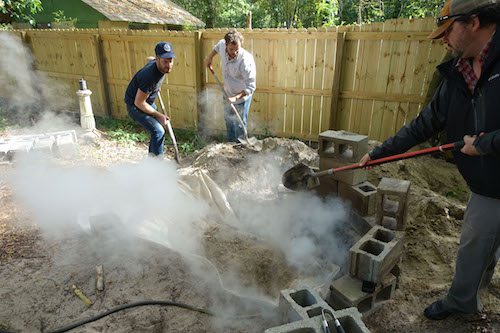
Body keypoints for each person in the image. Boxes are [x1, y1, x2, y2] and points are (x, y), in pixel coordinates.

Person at [359, 0, 500, 321]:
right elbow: (425, 123)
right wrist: (379, 153)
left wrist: (486, 143)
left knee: (478, 241)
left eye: (449, 31)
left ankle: (465, 300)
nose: (444, 40)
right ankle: (468, 296)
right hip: (488, 184)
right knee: (479, 241)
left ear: (474, 22)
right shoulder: (459, 72)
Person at [204, 30, 256, 142]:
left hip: (241, 96)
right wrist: (210, 57)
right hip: (227, 92)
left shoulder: (246, 61)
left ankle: (241, 148)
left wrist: (235, 98)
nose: (235, 52)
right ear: (226, 45)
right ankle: (229, 147)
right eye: (232, 49)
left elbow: (251, 87)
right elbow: (217, 47)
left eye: (237, 49)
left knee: (239, 124)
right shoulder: (222, 45)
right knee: (228, 120)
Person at [124, 42, 175, 157]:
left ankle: (152, 160)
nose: (168, 65)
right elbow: (139, 102)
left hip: (146, 102)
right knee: (158, 131)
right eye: (165, 62)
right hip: (135, 106)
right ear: (157, 59)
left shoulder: (157, 64)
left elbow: (149, 58)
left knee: (158, 130)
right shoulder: (149, 77)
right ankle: (156, 166)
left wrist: (156, 87)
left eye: (170, 61)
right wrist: (159, 115)